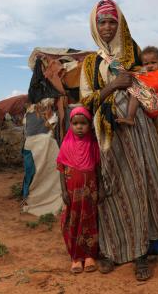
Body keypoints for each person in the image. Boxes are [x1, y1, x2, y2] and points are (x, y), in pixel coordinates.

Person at [79, 0, 158, 281]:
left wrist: (133, 84)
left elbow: (152, 95)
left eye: (112, 22)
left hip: (137, 131)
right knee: (112, 188)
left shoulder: (135, 54)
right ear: (95, 25)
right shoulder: (91, 62)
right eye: (102, 22)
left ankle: (142, 253)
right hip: (108, 133)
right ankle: (113, 250)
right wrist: (113, 86)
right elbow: (85, 101)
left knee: (140, 187)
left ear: (120, 24)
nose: (107, 27)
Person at [57, 106, 102, 274]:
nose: (79, 127)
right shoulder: (66, 144)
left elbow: (97, 169)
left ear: (89, 125)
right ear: (70, 125)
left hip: (90, 193)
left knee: (90, 222)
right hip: (71, 194)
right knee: (72, 223)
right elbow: (61, 169)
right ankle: (75, 257)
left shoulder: (93, 144)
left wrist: (102, 188)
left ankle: (89, 255)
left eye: (83, 123)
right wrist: (63, 191)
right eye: (75, 123)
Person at [115, 46, 158, 126]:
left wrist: (131, 75)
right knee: (134, 89)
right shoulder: (148, 73)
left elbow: (152, 84)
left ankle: (130, 118)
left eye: (153, 62)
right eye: (146, 64)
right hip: (150, 105)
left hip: (156, 106)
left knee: (136, 90)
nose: (150, 66)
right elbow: (139, 76)